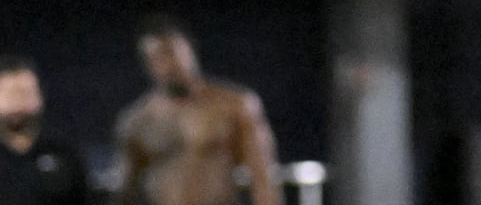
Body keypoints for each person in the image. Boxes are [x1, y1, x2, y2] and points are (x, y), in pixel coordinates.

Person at [114, 17, 282, 205]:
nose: (169, 65)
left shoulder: (233, 106)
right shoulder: (137, 121)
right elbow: (127, 190)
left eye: (173, 53)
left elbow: (262, 177)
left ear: (189, 52)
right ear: (148, 64)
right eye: (158, 57)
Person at [0, 56, 90, 205]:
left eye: (24, 93)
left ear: (40, 96)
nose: (17, 102)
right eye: (9, 94)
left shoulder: (64, 152)